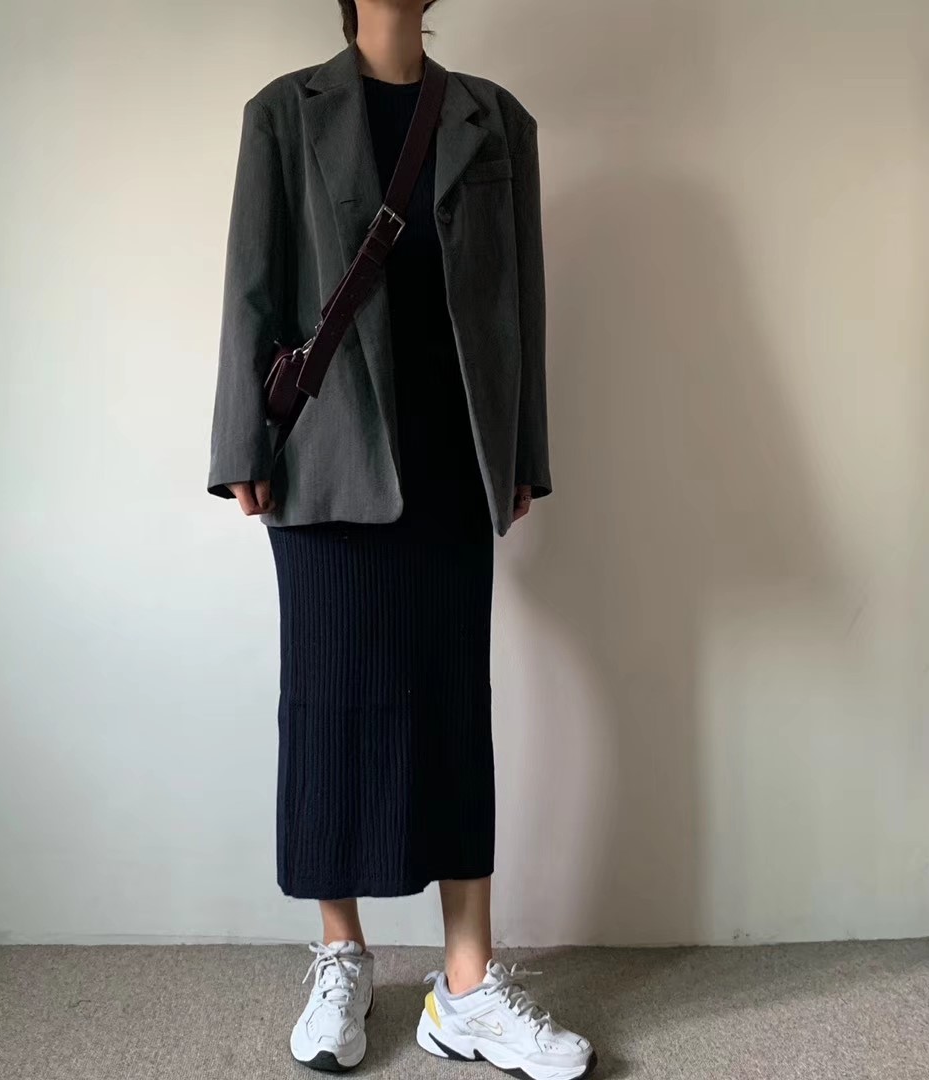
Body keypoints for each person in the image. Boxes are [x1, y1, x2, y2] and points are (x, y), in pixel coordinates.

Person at [207, 2, 596, 1077]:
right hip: (325, 456)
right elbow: (250, 287)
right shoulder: (284, 113)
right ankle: (342, 956)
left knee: (454, 710)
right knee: (328, 708)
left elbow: (521, 303)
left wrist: (522, 450)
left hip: (454, 457)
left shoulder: (495, 121)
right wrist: (241, 444)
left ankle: (466, 985)